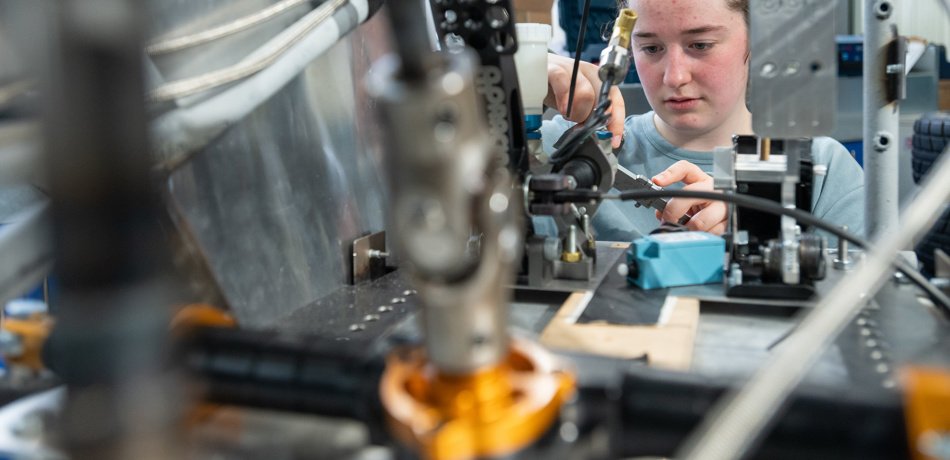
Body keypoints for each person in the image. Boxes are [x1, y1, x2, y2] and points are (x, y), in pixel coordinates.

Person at [540, 0, 865, 243]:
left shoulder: (823, 171)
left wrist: (760, 228)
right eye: (651, 48)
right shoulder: (562, 147)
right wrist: (516, 78)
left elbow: (872, 315)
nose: (675, 76)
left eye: (700, 45)